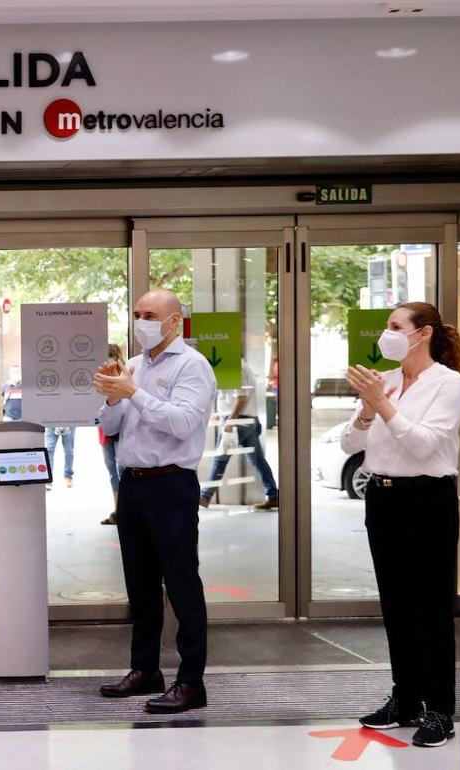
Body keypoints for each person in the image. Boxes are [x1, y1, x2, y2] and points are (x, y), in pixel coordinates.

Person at [344, 302, 460, 748]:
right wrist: (367, 410)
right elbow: (349, 442)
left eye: (395, 326)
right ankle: (406, 699)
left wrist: (383, 407)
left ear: (423, 333)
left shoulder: (449, 384)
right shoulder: (388, 381)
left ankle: (439, 709)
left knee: (429, 607)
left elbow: (424, 445)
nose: (386, 333)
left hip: (426, 500)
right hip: (382, 496)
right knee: (395, 603)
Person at [94, 290, 215, 715]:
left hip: (171, 485)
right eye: (137, 314)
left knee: (181, 584)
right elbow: (111, 426)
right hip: (133, 485)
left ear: (174, 322)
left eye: (150, 315)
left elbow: (183, 424)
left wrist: (134, 393)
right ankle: (145, 669)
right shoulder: (134, 365)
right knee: (140, 585)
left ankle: (190, 681)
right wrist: (112, 395)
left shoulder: (192, 366)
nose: (141, 321)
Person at [198, 360, 278, 510]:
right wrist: (221, 414)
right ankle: (273, 495)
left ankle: (205, 496)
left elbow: (241, 399)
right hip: (245, 421)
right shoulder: (238, 367)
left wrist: (230, 420)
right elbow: (233, 399)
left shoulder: (237, 368)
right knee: (258, 461)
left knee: (220, 459)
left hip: (238, 423)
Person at [99, 343, 123, 526]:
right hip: (106, 431)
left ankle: (123, 510)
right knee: (113, 473)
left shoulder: (126, 376)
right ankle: (118, 510)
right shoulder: (99, 377)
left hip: (122, 432)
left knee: (120, 472)